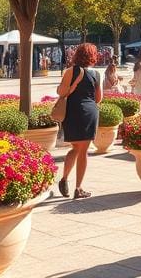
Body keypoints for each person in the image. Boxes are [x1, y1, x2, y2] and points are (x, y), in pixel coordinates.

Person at [56, 43, 102, 199]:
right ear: (93, 56)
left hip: (73, 111)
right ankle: (78, 188)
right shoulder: (96, 73)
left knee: (75, 148)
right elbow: (99, 98)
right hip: (89, 112)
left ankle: (64, 179)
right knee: (83, 151)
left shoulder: (70, 71)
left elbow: (61, 92)